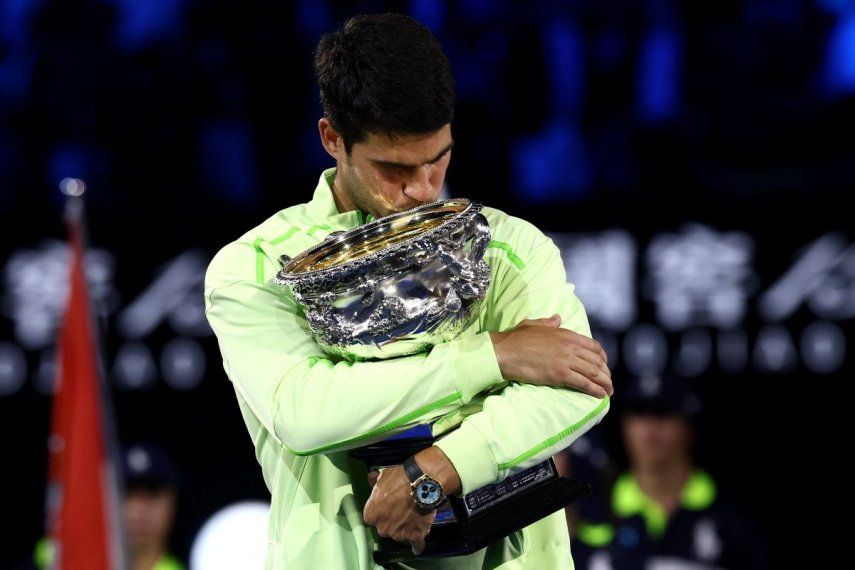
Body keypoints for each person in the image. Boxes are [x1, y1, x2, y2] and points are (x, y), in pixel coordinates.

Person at [204, 13, 613, 569]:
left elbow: (580, 388)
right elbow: (304, 412)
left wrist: (436, 471)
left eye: (438, 159)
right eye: (393, 169)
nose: (422, 190)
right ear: (332, 139)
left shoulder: (510, 247)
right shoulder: (253, 267)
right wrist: (492, 357)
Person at [571, 373, 768, 569]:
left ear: (688, 425)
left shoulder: (732, 521)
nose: (650, 429)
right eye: (639, 413)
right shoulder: (590, 515)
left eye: (663, 412)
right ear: (624, 425)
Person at [32, 443, 184, 570]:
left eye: (152, 495)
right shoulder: (55, 559)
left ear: (173, 503)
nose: (138, 511)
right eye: (126, 494)